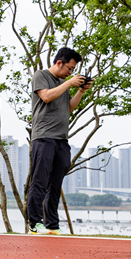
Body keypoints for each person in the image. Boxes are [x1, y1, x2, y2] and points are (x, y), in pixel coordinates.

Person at [28, 48, 90, 234]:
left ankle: (52, 224)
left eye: (73, 70)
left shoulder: (64, 84)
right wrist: (69, 83)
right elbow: (46, 96)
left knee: (56, 182)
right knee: (39, 180)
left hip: (61, 139)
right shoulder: (41, 75)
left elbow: (69, 107)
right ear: (59, 63)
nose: (70, 73)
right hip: (44, 136)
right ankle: (34, 223)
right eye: (69, 69)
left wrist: (80, 90)